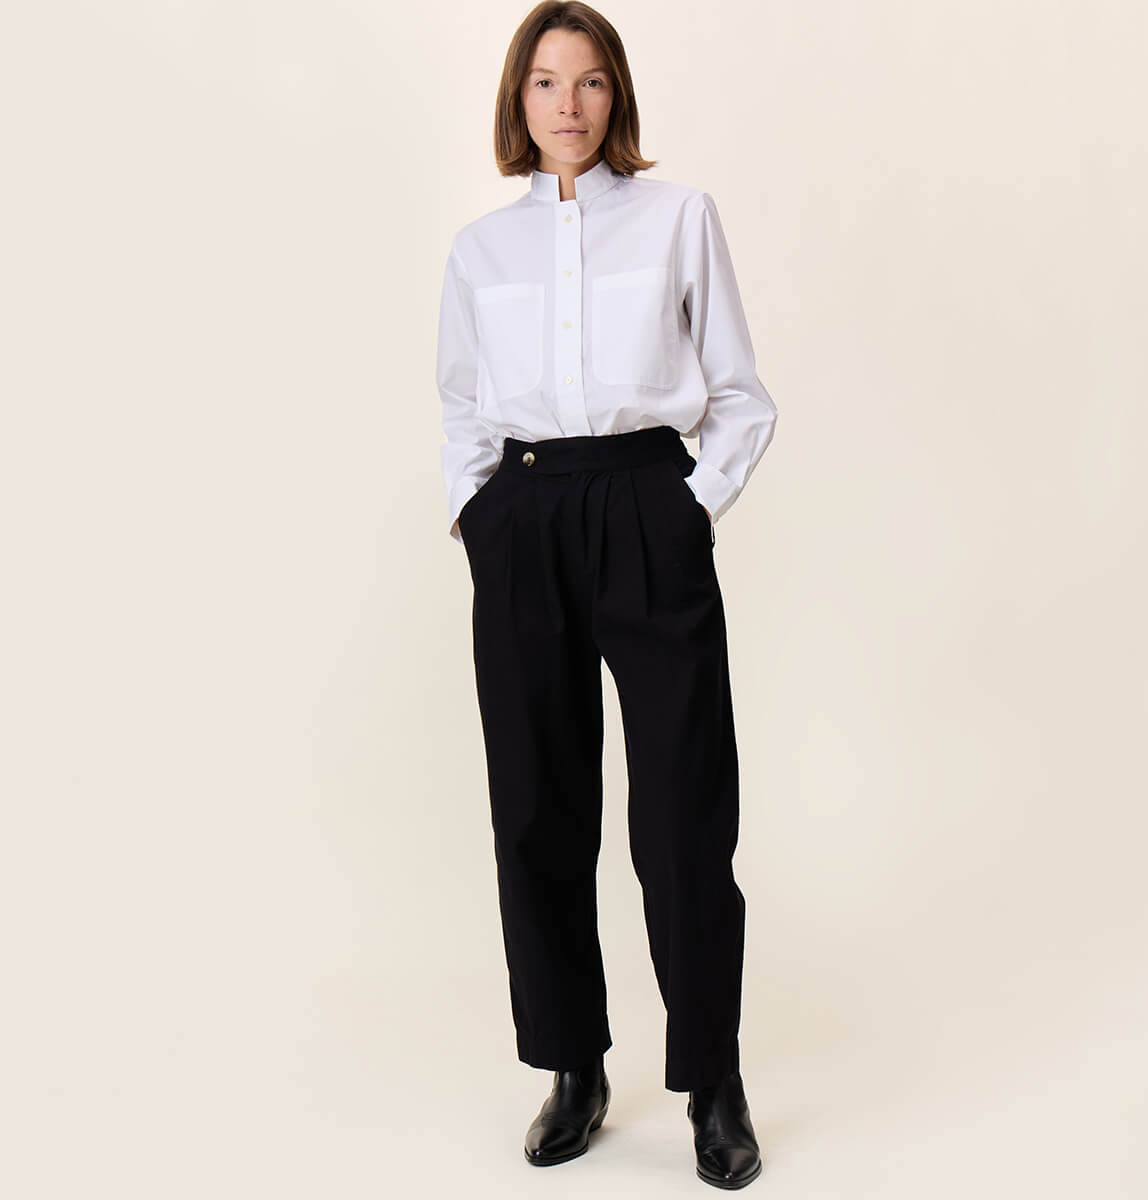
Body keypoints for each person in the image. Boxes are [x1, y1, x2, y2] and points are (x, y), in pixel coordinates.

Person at [436, 2, 776, 1188]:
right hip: (523, 516)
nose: (567, 104)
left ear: (615, 94)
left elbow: (739, 393)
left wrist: (689, 506)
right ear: (517, 100)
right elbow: (462, 404)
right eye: (544, 82)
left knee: (684, 809)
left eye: (587, 81)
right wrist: (478, 515)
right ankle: (572, 1065)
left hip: (646, 507)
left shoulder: (680, 218)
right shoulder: (481, 250)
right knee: (537, 804)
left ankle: (714, 1079)